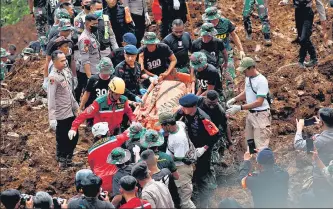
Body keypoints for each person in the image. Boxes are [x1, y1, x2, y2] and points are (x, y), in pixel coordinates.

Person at [176, 93, 219, 208]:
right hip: (191, 147)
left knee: (201, 177)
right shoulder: (183, 111)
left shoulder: (204, 119)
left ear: (193, 107)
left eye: (185, 107)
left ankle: (205, 203)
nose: (183, 109)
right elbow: (174, 118)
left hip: (202, 151)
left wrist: (204, 148)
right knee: (191, 173)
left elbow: (215, 135)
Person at [226, 57, 271, 150]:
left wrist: (240, 108)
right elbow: (247, 92)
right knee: (250, 144)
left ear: (251, 68)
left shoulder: (261, 81)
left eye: (245, 70)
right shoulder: (248, 77)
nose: (243, 73)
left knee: (261, 146)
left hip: (261, 115)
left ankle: (263, 163)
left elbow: (259, 102)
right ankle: (251, 161)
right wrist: (235, 99)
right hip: (251, 114)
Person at [69, 77, 135, 136]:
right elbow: (84, 114)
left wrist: (133, 121)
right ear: (110, 91)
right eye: (116, 94)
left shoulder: (123, 100)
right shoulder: (99, 102)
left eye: (120, 94)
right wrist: (74, 127)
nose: (118, 97)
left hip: (116, 130)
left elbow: (129, 111)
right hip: (101, 133)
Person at [47, 50, 80, 169]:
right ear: (54, 62)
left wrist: (76, 106)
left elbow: (69, 92)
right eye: (61, 61)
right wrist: (52, 118)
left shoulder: (64, 72)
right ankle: (62, 162)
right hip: (61, 114)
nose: (65, 62)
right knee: (63, 139)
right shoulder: (53, 78)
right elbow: (50, 99)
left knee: (74, 136)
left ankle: (69, 159)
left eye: (65, 59)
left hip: (69, 111)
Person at [156, 112, 196, 208]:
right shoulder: (179, 124)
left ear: (168, 125)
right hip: (182, 163)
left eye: (162, 126)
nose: (161, 128)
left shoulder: (178, 140)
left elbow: (179, 157)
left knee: (185, 200)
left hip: (181, 168)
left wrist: (165, 158)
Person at [294, 107, 333, 207]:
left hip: (323, 178)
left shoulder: (319, 141)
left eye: (320, 119)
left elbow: (298, 144)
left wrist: (299, 128)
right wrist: (323, 125)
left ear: (323, 123)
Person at [203, 7, 245, 94]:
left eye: (214, 19)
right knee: (216, 78)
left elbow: (234, 35)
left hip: (227, 52)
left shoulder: (226, 23)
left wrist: (241, 49)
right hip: (213, 55)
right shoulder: (206, 26)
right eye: (211, 20)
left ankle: (230, 96)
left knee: (229, 75)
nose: (213, 22)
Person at [197, 90, 233, 164]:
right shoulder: (199, 100)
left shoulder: (220, 111)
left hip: (210, 132)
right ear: (205, 98)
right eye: (209, 103)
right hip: (197, 126)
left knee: (207, 154)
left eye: (214, 103)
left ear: (217, 100)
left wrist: (230, 143)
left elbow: (225, 126)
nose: (211, 106)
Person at [44, 18, 75, 89]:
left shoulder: (70, 42)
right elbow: (47, 61)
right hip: (56, 73)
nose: (69, 32)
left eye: (69, 30)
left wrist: (74, 76)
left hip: (67, 72)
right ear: (61, 30)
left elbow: (72, 60)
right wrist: (46, 78)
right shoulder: (53, 43)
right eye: (67, 30)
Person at [76, 14, 100, 102]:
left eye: (97, 23)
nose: (96, 26)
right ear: (87, 24)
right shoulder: (84, 39)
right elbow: (85, 60)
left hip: (95, 70)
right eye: (94, 24)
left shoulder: (91, 35)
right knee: (90, 99)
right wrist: (90, 78)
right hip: (89, 73)